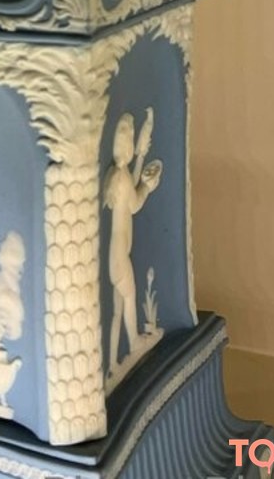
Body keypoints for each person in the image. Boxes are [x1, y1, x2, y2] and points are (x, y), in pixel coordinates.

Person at [104, 109, 162, 376]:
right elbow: (135, 204)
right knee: (130, 298)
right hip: (121, 257)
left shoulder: (116, 176)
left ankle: (113, 363)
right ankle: (135, 341)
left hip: (113, 258)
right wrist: (148, 187)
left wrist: (141, 161)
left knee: (117, 311)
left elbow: (130, 186)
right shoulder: (124, 179)